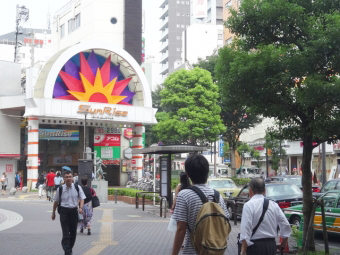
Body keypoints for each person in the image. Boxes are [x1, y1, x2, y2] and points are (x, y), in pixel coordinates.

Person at [171, 154, 229, 255]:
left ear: (188, 174)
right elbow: (225, 223)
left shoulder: (184, 195)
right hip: (214, 251)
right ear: (207, 172)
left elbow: (181, 229)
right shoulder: (217, 195)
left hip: (193, 251)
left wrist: (174, 253)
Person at [239, 178, 292, 255]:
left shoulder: (248, 205)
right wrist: (283, 244)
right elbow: (285, 225)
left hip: (255, 247)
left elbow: (245, 230)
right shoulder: (274, 205)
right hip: (271, 246)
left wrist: (243, 251)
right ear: (265, 190)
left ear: (250, 190)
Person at [52, 171, 86, 255]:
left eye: (70, 177)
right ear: (63, 179)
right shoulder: (60, 189)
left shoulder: (77, 187)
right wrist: (53, 212)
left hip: (74, 212)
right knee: (66, 233)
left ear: (72, 178)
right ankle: (68, 252)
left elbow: (82, 198)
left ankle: (68, 249)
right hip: (64, 212)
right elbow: (56, 202)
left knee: (73, 233)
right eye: (66, 177)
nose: (68, 178)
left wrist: (81, 207)